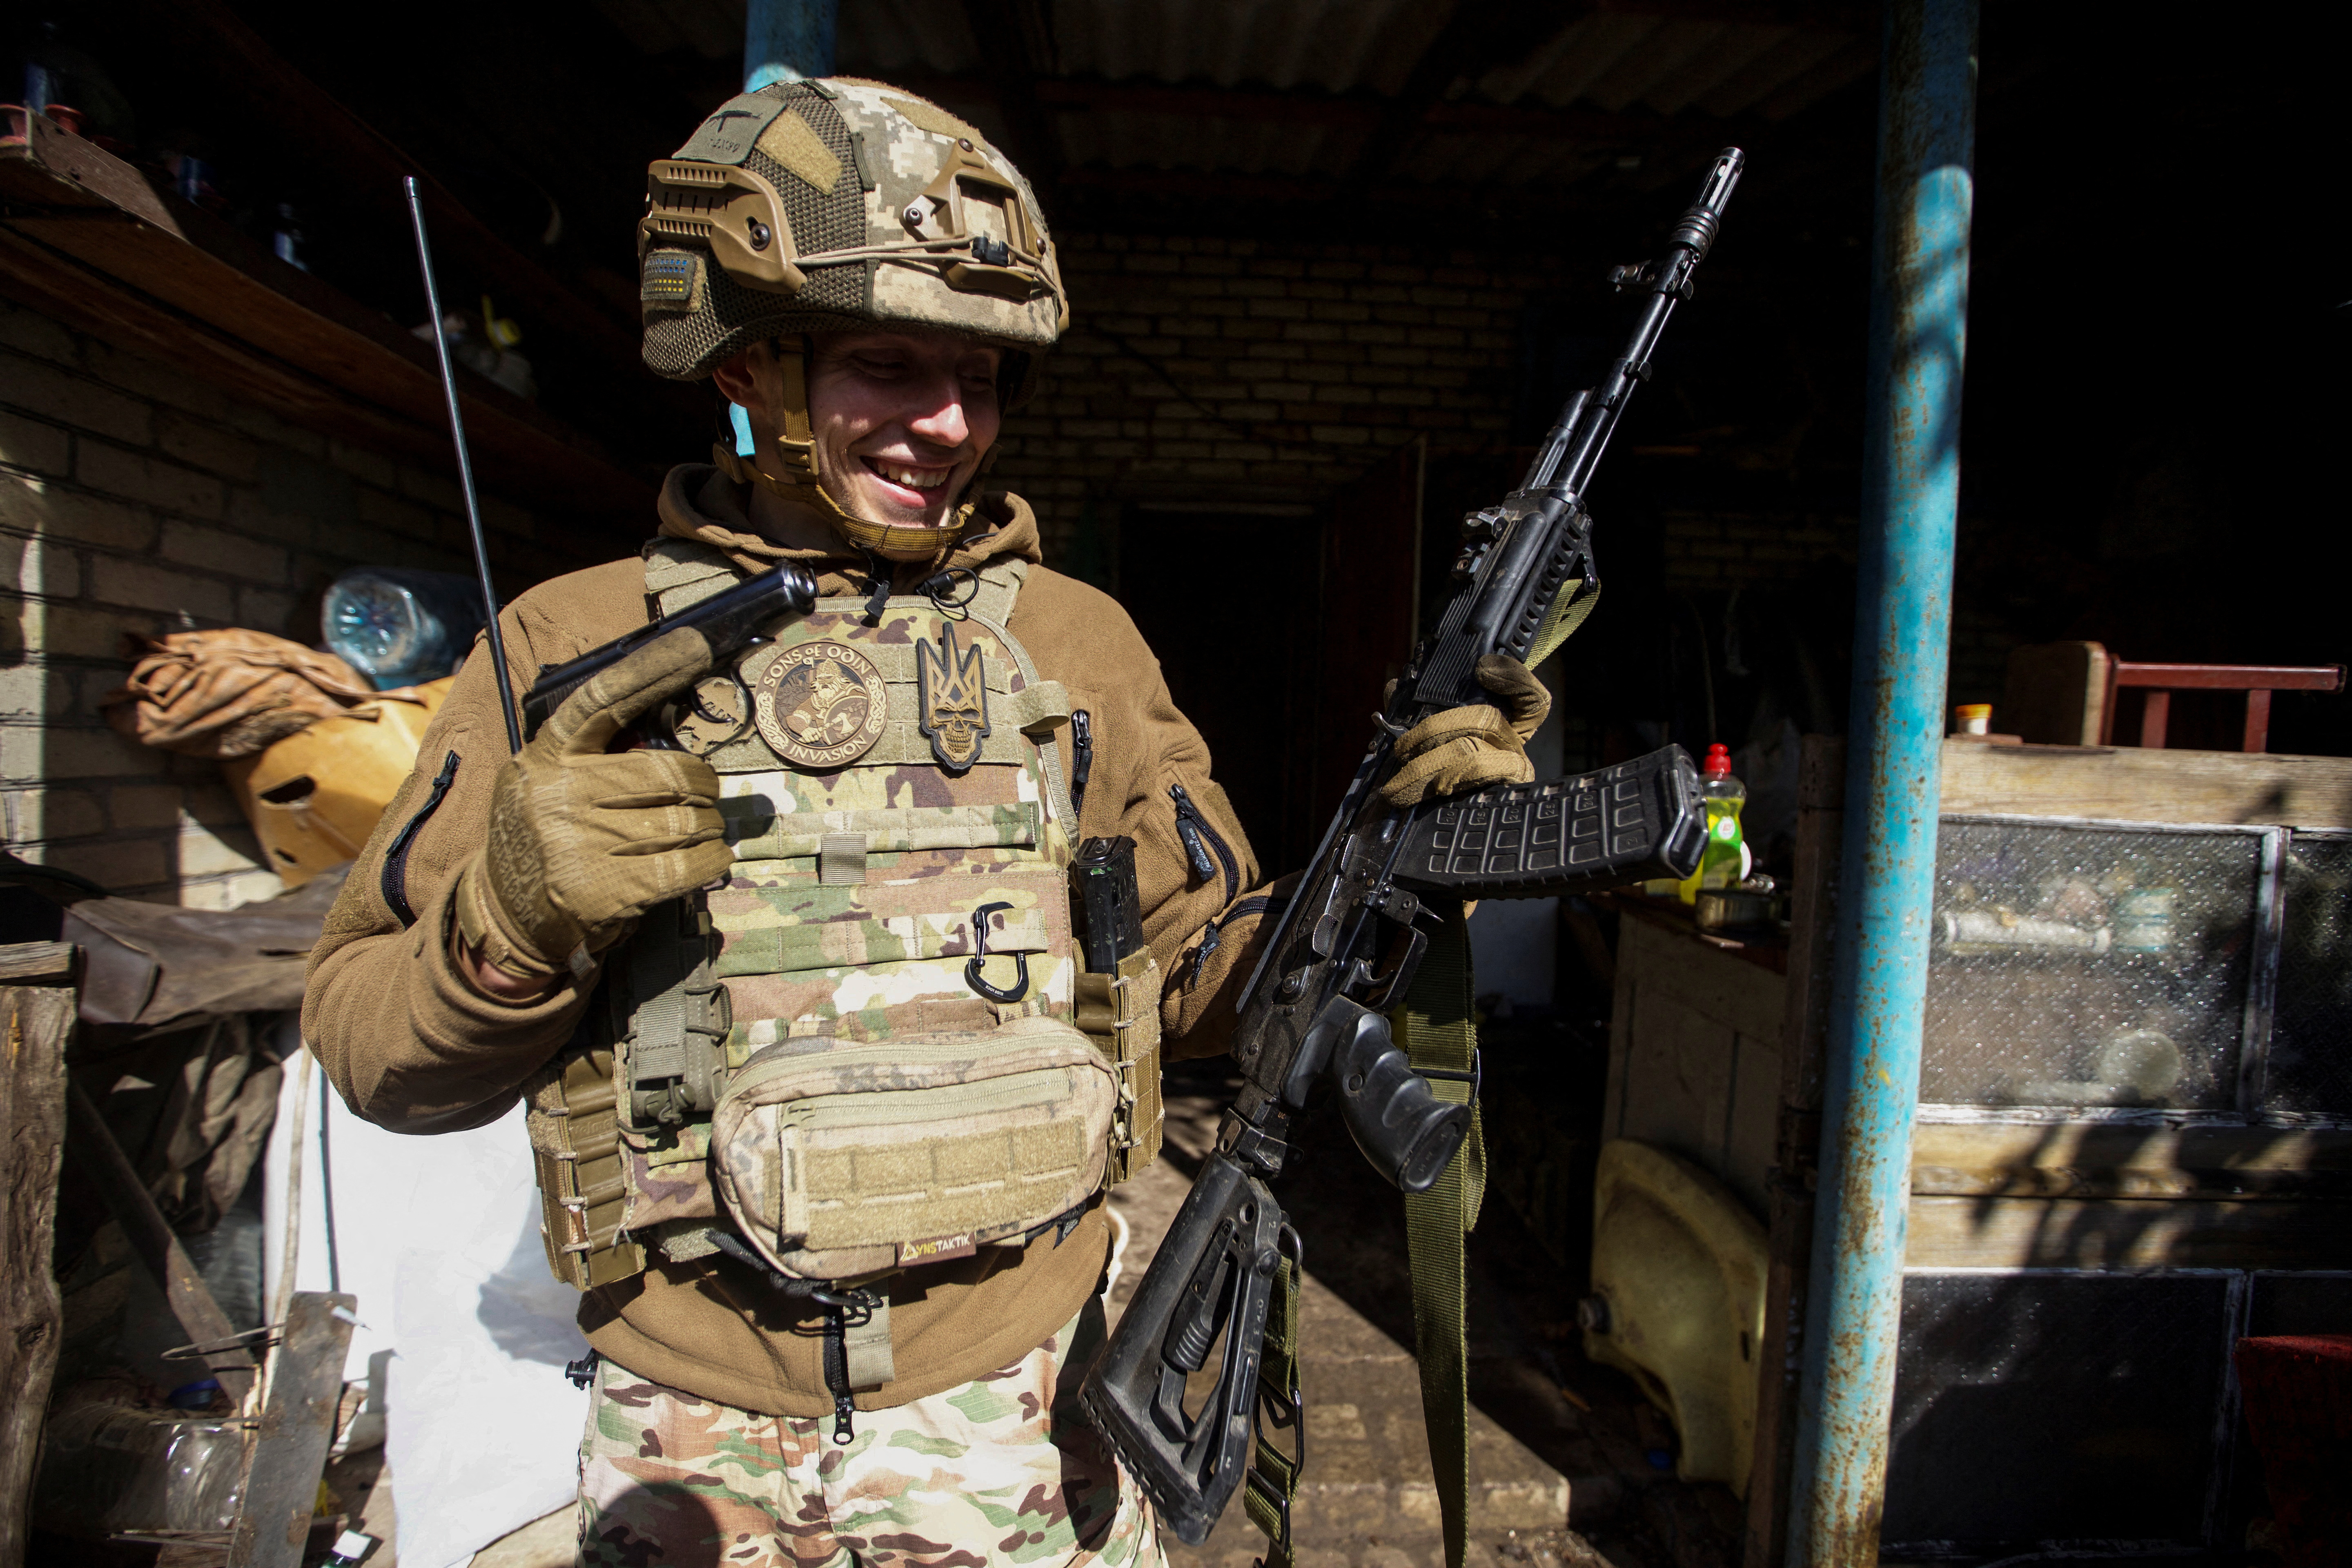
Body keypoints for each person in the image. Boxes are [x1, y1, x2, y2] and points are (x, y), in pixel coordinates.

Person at [305, 77, 1540, 1568]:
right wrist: (510, 925)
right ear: (749, 368)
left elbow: (1206, 984)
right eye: (890, 365)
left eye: (986, 375)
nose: (950, 423)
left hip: (1030, 1412)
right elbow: (376, 1057)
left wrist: (1395, 879)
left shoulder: (1077, 647)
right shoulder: (574, 645)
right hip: (695, 1440)